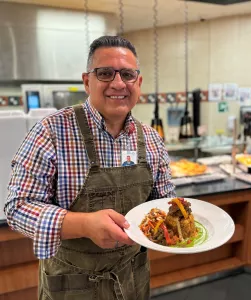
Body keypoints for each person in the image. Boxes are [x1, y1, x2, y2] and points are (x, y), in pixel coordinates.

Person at [4, 36, 176, 300]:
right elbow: (17, 207)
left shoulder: (151, 139)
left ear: (138, 83)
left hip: (133, 281)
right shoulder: (51, 132)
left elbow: (163, 206)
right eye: (105, 73)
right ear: (87, 81)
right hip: (71, 286)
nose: (118, 83)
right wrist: (83, 224)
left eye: (127, 74)